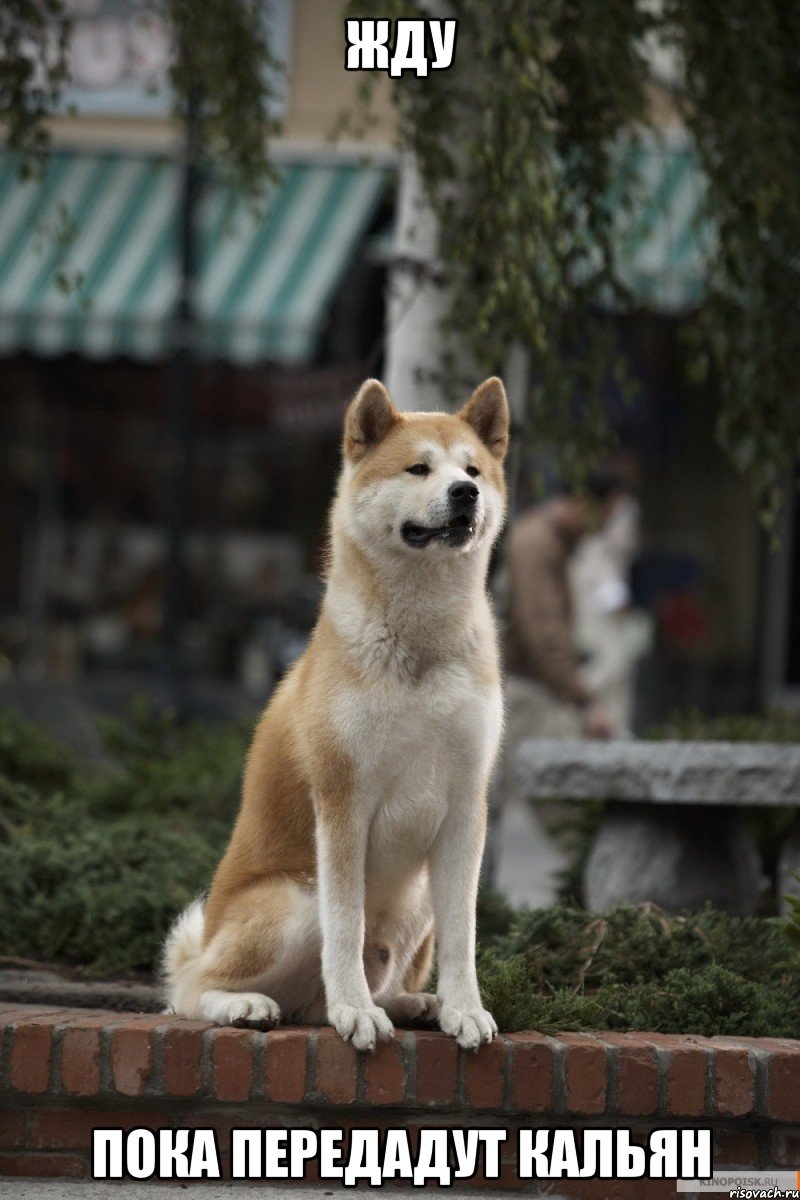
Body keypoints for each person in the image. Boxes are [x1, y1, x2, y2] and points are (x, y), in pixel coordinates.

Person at [504, 470, 627, 743]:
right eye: (606, 515)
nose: (605, 527)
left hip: (537, 687)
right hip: (527, 691)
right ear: (586, 502)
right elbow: (542, 630)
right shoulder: (538, 544)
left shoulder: (551, 541)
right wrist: (583, 701)